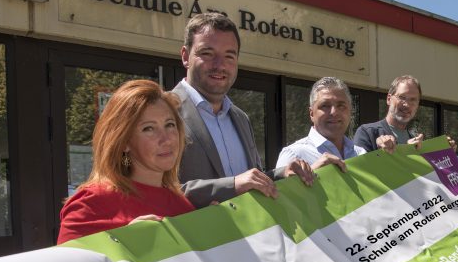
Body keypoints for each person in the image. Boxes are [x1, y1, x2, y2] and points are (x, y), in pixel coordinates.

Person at [173, 13, 311, 207]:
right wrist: (232, 185)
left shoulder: (240, 118)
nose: (220, 65)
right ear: (186, 56)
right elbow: (156, 191)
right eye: (207, 53)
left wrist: (283, 173)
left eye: (229, 56)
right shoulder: (164, 112)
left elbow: (250, 181)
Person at [57, 80, 195, 244]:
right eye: (149, 128)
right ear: (124, 142)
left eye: (170, 125)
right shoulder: (91, 204)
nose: (166, 139)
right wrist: (127, 243)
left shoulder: (183, 206)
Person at [275, 77, 365, 172]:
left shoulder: (361, 154)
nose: (334, 112)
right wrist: (314, 173)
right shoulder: (294, 155)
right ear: (311, 113)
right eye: (325, 106)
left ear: (350, 112)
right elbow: (280, 187)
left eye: (341, 106)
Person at [354, 75, 424, 153]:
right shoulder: (368, 133)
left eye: (413, 100)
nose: (407, 105)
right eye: (402, 97)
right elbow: (360, 165)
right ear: (389, 99)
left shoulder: (417, 144)